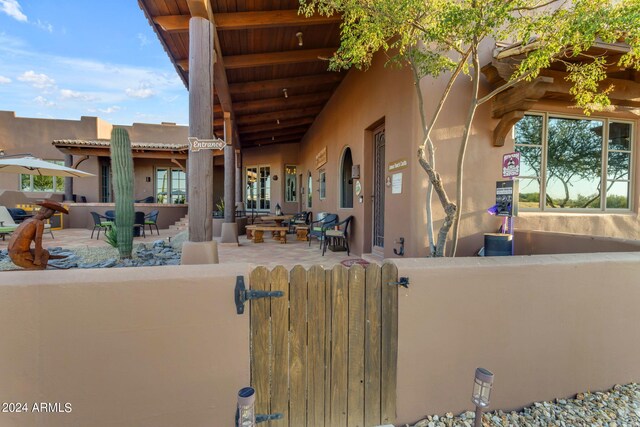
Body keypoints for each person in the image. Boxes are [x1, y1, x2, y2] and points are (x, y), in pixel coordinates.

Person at [8, 200, 69, 270]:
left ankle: (39, 262)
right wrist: (37, 259)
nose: (52, 215)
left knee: (44, 252)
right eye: (52, 212)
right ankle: (40, 268)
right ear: (47, 212)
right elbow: (38, 242)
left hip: (11, 253)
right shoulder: (39, 223)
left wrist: (41, 251)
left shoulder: (28, 220)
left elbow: (34, 239)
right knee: (44, 256)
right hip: (19, 256)